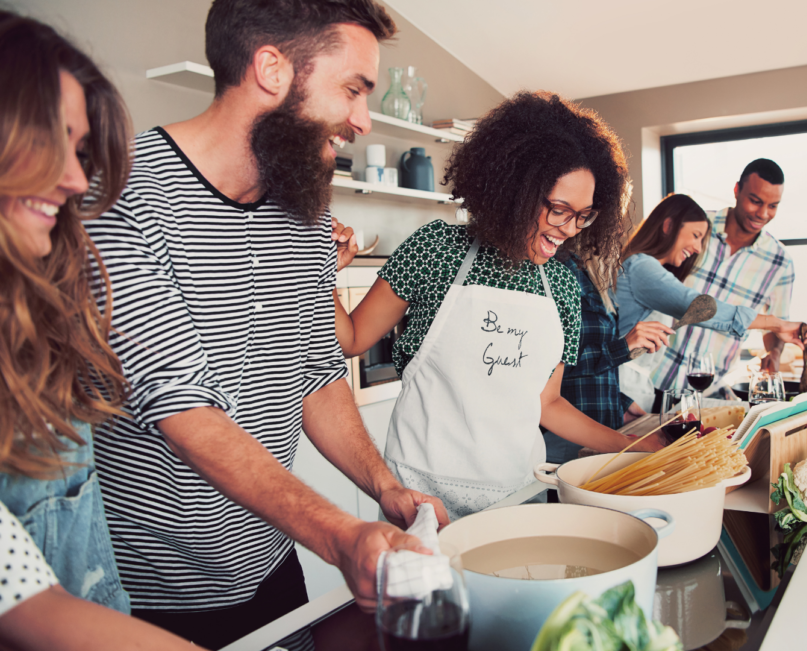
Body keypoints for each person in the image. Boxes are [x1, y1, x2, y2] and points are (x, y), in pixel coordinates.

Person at [83, 0, 446, 646]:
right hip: (146, 592)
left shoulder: (306, 213)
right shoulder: (120, 194)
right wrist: (340, 534)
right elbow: (183, 409)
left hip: (274, 566)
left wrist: (385, 485)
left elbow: (316, 373)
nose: (363, 119)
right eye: (353, 89)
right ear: (272, 70)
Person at [333, 91, 664, 520]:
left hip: (518, 495)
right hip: (420, 496)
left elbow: (549, 404)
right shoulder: (436, 250)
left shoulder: (561, 284)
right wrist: (330, 274)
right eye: (559, 209)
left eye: (582, 215)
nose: (568, 229)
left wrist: (633, 446)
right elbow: (353, 339)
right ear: (516, 191)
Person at [0, 11, 200, 650]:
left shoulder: (36, 330)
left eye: (80, 150)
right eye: (50, 138)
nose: (76, 179)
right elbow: (27, 603)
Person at [615, 194, 806, 412]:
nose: (698, 248)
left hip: (636, 390)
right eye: (695, 236)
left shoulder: (648, 268)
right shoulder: (642, 267)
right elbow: (697, 306)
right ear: (668, 226)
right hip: (625, 388)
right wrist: (776, 324)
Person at [651, 160, 798, 397]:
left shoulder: (780, 263)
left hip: (709, 391)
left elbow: (775, 325)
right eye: (756, 201)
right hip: (649, 378)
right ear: (737, 190)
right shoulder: (695, 227)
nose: (763, 213)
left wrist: (775, 354)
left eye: (773, 206)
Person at [541, 254, 674, 464]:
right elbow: (548, 368)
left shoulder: (592, 274)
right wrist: (622, 347)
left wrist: (620, 402)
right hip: (568, 439)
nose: (619, 228)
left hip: (604, 431)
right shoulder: (558, 271)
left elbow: (591, 373)